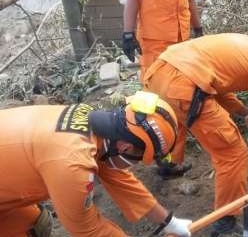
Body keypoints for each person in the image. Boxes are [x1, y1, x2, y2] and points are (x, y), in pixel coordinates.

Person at [143, 20, 248, 234]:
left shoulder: (236, 42)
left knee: (177, 121)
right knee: (233, 153)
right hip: (184, 86)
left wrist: (245, 112)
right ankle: (226, 220)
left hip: (157, 74)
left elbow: (213, 86)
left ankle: (170, 165)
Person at [0, 91, 192, 237]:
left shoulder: (94, 129)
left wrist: (168, 221)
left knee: (34, 224)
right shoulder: (72, 163)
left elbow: (120, 179)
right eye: (139, 159)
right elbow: (88, 230)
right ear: (124, 147)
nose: (132, 166)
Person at [123, 0, 203, 79]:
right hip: (155, 41)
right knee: (155, 84)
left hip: (182, 40)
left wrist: (198, 29)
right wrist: (128, 34)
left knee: (180, 85)